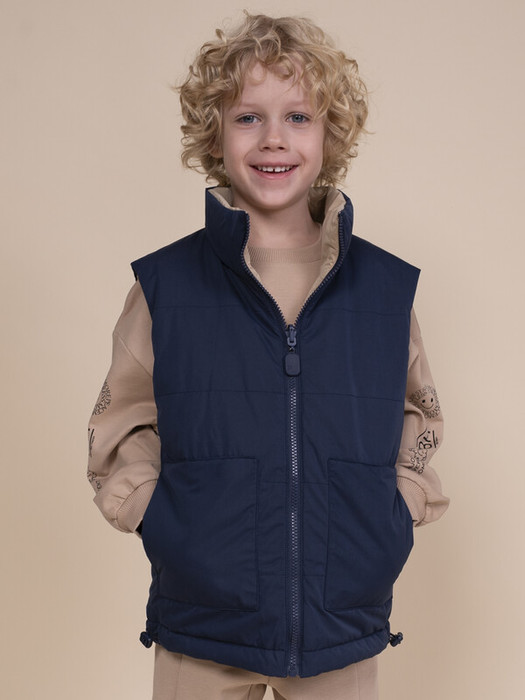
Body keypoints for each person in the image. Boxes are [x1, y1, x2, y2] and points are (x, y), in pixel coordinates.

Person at [87, 12, 449, 700]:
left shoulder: (383, 290)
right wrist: (165, 524)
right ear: (214, 134)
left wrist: (393, 517)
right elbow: (121, 421)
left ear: (330, 134)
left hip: (341, 620)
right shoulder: (167, 286)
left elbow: (418, 412)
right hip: (201, 621)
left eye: (298, 117)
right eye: (248, 117)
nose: (273, 138)